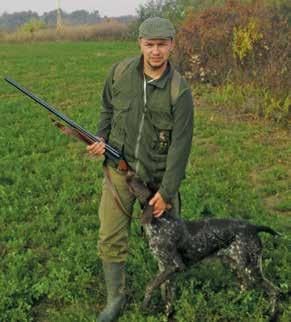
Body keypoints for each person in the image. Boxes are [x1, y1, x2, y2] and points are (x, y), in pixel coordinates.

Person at [87, 17, 194, 322]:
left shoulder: (179, 92)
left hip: (158, 178)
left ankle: (167, 297)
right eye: (150, 44)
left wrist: (167, 191)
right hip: (119, 170)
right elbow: (107, 108)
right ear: (140, 44)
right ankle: (115, 299)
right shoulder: (119, 73)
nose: (156, 52)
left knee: (171, 239)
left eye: (162, 45)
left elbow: (180, 147)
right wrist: (101, 138)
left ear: (171, 45)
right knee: (110, 234)